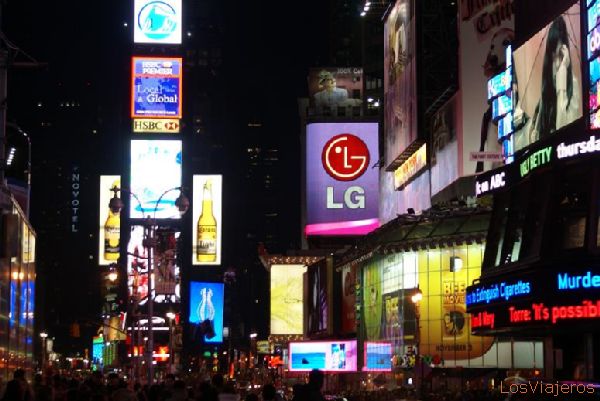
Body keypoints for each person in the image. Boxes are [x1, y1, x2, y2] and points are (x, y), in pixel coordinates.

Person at [514, 14, 580, 149]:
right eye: (553, 56)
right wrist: (524, 127)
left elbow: (562, 134)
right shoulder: (545, 95)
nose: (556, 64)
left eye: (560, 55)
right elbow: (528, 140)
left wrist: (561, 85)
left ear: (566, 55)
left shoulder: (573, 85)